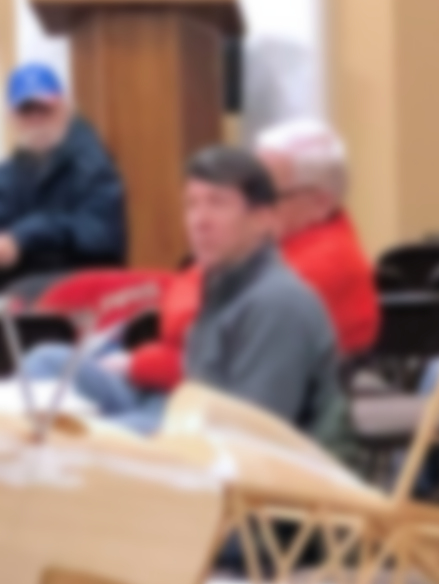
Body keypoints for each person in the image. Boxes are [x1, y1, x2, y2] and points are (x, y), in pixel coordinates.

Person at [20, 148, 339, 436]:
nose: (200, 221)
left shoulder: (278, 303)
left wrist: (113, 431)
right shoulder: (221, 282)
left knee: (79, 435)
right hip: (180, 405)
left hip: (220, 443)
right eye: (192, 205)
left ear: (262, 219)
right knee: (47, 362)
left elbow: (253, 433)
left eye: (218, 203)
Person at [95, 118, 379, 403]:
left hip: (225, 409)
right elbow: (186, 302)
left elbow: (210, 350)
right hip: (192, 391)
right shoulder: (269, 247)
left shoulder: (321, 267)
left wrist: (140, 364)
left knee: (78, 384)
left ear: (319, 203)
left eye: (264, 194)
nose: (252, 205)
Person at [0, 60, 125, 278]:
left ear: (64, 108)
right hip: (22, 292)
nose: (36, 118)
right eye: (26, 110)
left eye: (44, 108)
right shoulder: (8, 176)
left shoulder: (93, 165)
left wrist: (26, 237)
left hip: (83, 290)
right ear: (12, 117)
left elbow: (102, 237)